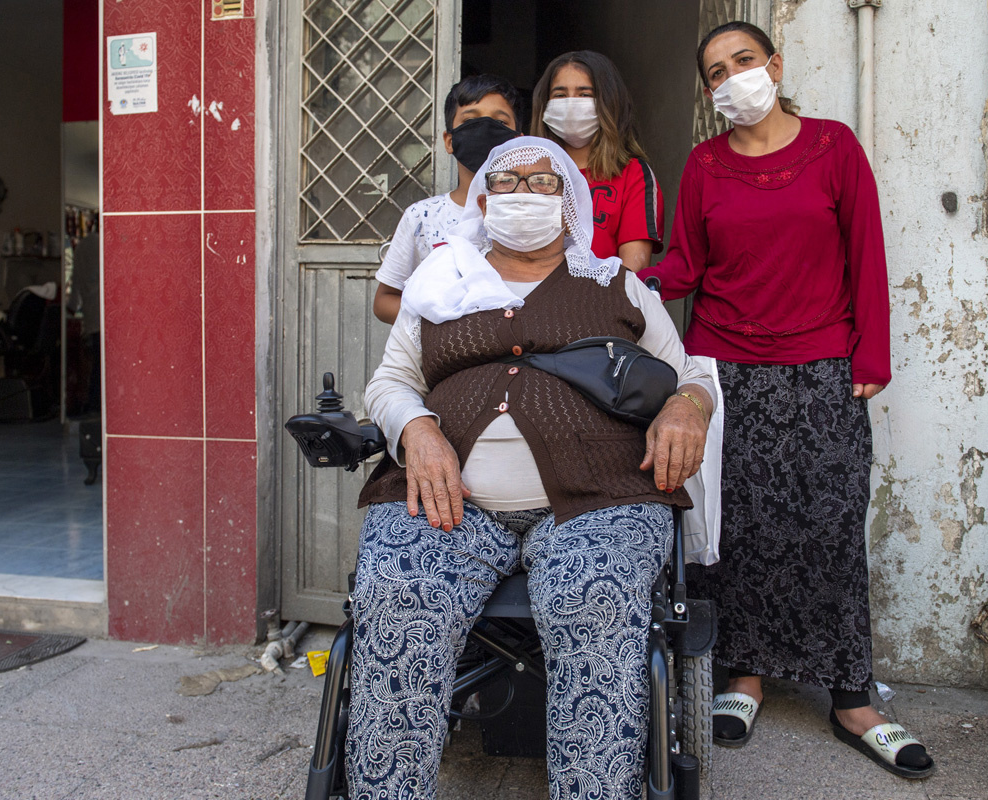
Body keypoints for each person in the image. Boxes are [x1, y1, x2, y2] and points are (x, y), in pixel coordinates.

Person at [347, 136, 716, 800]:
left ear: (569, 200)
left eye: (543, 183)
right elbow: (389, 382)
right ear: (483, 201)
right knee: (397, 590)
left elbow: (689, 375)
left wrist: (687, 407)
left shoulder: (615, 283)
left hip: (600, 497)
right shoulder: (439, 281)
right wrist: (417, 427)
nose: (524, 194)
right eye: (508, 182)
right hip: (447, 498)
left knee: (591, 597)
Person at [639, 21, 935, 780]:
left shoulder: (835, 147)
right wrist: (614, 280)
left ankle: (851, 698)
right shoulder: (704, 164)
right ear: (708, 92)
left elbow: (867, 251)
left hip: (821, 365)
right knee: (731, 528)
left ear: (774, 64)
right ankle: (743, 677)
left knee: (829, 525)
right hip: (724, 369)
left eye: (743, 61)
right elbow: (688, 264)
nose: (731, 77)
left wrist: (871, 354)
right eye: (715, 72)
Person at [372, 74, 524, 323]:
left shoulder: (533, 212)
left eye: (499, 122)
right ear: (449, 141)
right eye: (471, 120)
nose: (485, 129)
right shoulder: (422, 217)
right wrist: (442, 327)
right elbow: (384, 300)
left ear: (519, 141)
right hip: (441, 358)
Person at [531, 51, 663, 272]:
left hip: (603, 302)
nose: (572, 104)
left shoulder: (633, 174)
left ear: (609, 102)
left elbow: (633, 271)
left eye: (584, 94)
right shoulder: (525, 174)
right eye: (560, 95)